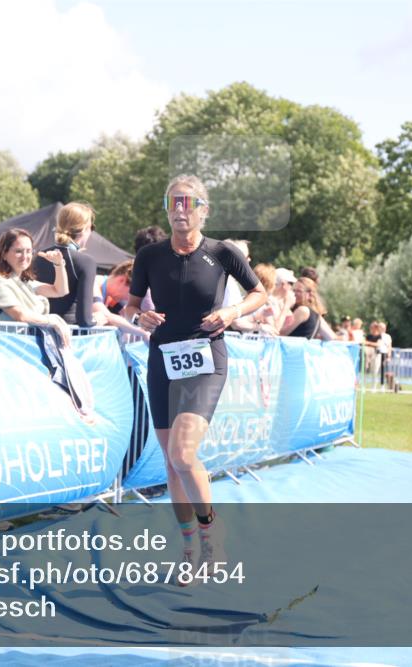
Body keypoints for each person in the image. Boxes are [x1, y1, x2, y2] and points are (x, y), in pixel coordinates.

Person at [123, 175, 266, 581]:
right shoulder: (150, 256)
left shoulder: (222, 252)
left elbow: (259, 293)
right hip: (164, 358)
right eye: (174, 202)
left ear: (204, 209)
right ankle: (188, 547)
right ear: (167, 208)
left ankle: (210, 534)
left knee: (184, 454)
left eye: (189, 202)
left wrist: (233, 312)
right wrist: (141, 315)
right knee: (171, 464)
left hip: (207, 357)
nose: (181, 209)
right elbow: (132, 304)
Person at [0, 228, 95, 418]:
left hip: (30, 359)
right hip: (5, 358)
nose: (25, 256)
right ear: (4, 253)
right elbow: (19, 314)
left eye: (29, 251)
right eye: (19, 251)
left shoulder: (26, 282)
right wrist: (51, 320)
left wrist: (59, 265)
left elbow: (60, 290)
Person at [32, 202, 99, 328]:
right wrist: (99, 319)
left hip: (37, 333)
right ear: (84, 229)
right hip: (69, 336)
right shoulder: (86, 262)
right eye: (92, 227)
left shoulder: (38, 257)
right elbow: (85, 319)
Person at [92, 260, 148, 341]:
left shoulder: (111, 296)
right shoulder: (93, 283)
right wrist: (143, 332)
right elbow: (107, 316)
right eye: (132, 293)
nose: (128, 299)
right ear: (122, 280)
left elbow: (126, 316)